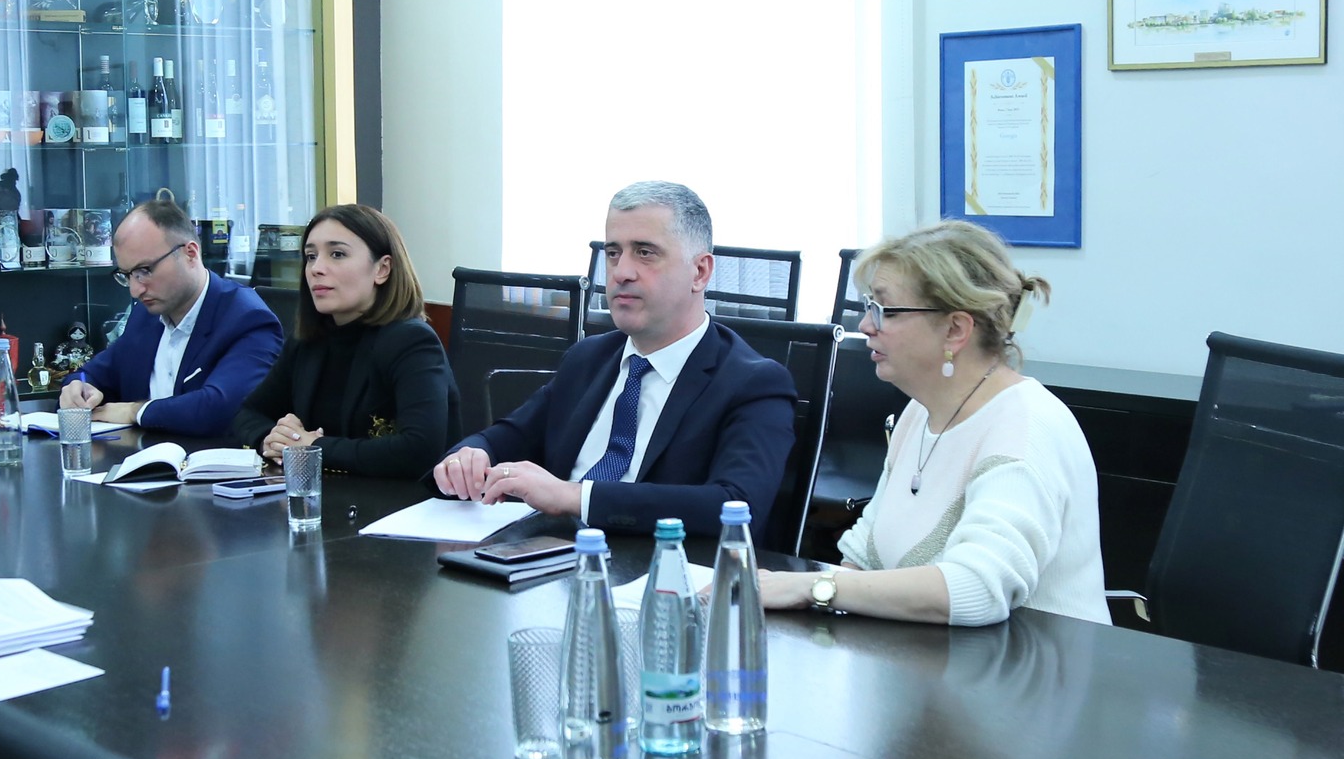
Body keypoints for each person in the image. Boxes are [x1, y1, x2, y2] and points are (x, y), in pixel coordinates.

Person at [759, 221, 1107, 626]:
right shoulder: (920, 411)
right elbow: (865, 556)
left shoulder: (1027, 428)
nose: (865, 325)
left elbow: (979, 588)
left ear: (955, 329)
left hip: (1038, 662)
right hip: (936, 654)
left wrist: (813, 588)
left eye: (886, 310)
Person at [433, 181, 796, 539]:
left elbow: (736, 506)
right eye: (613, 253)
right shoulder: (588, 358)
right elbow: (509, 436)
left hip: (656, 566)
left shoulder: (753, 383)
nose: (621, 272)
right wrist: (470, 455)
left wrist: (575, 497)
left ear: (699, 272)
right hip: (550, 553)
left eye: (645, 253)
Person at [232, 204, 461, 478]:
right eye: (311, 256)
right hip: (322, 493)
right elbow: (248, 413)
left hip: (398, 500)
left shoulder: (411, 341)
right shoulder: (308, 339)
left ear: (382, 269)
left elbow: (419, 450)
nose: (316, 268)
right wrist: (271, 439)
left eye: (337, 254)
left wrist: (312, 447)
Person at [58, 196, 282, 436]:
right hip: (139, 454)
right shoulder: (145, 316)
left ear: (190, 254)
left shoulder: (248, 319)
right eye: (127, 275)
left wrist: (135, 411)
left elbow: (220, 408)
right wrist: (77, 386)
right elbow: (94, 373)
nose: (135, 290)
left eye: (145, 270)